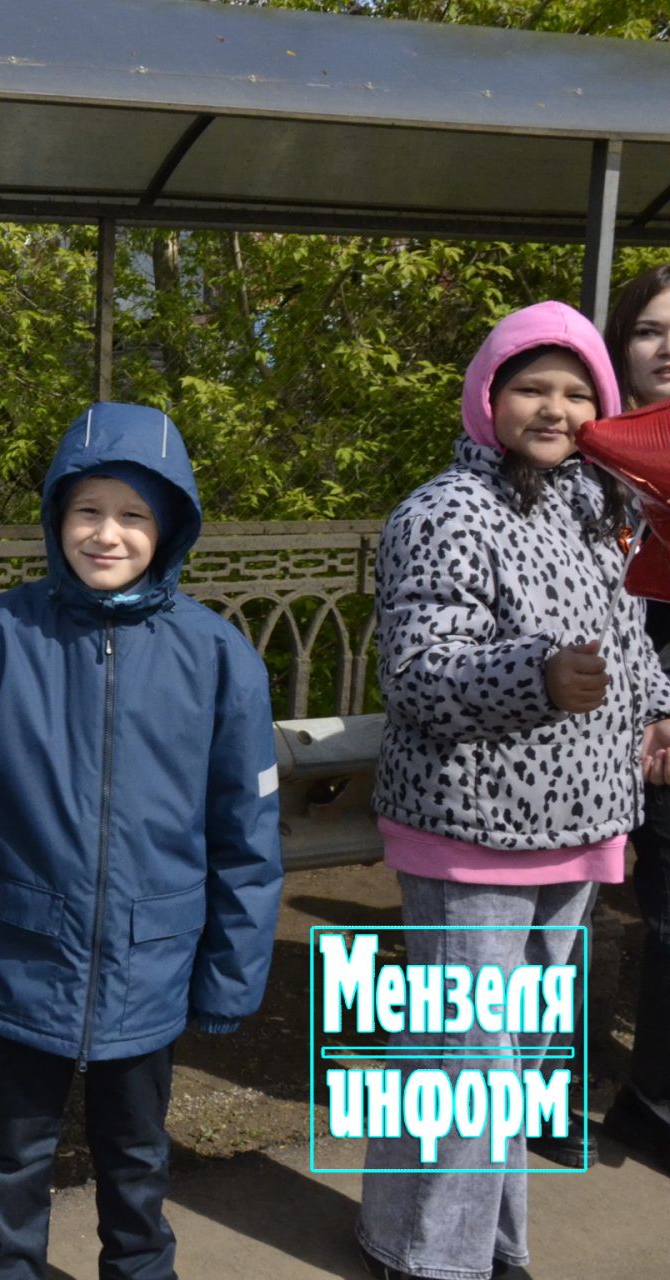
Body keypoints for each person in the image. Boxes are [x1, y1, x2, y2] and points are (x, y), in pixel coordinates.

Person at [0, 401, 283, 1280]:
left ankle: (140, 1268)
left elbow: (246, 832)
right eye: (88, 511)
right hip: (21, 958)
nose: (107, 534)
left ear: (169, 529)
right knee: (9, 1156)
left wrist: (231, 972)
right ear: (57, 517)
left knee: (137, 1157)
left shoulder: (218, 658)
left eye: (133, 516)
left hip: (151, 963)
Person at [356, 301, 670, 1280]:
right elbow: (414, 671)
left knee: (514, 1060)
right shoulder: (442, 508)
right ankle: (431, 1257)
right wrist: (535, 675)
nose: (557, 405)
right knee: (467, 1061)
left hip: (581, 825)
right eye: (533, 384)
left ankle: (476, 1242)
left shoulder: (604, 504)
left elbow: (628, 640)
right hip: (470, 827)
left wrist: (658, 708)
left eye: (579, 391)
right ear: (488, 394)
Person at [603, 263, 670, 1175]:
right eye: (652, 329)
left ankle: (651, 1098)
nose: (669, 348)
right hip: (593, 728)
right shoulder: (589, 454)